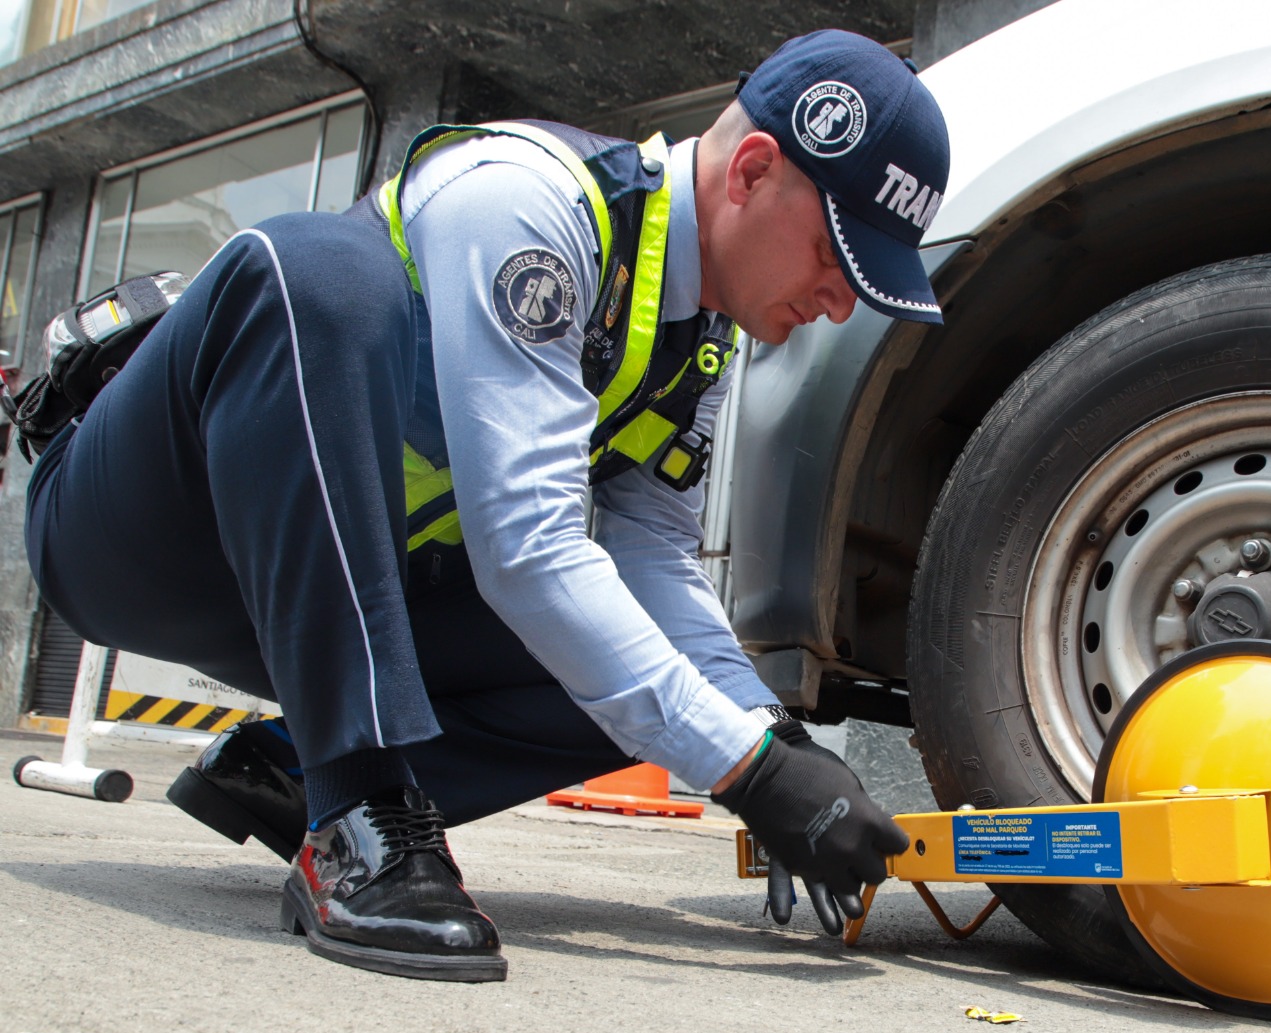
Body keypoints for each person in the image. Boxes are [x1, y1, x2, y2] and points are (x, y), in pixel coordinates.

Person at [24, 29, 949, 983]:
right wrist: (750, 773)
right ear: (753, 171)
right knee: (314, 270)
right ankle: (357, 808)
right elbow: (527, 548)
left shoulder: (696, 345)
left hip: (336, 598)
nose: (841, 302)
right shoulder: (527, 200)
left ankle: (287, 774)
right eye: (839, 253)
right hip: (144, 535)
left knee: (628, 667)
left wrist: (777, 745)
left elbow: (657, 564)